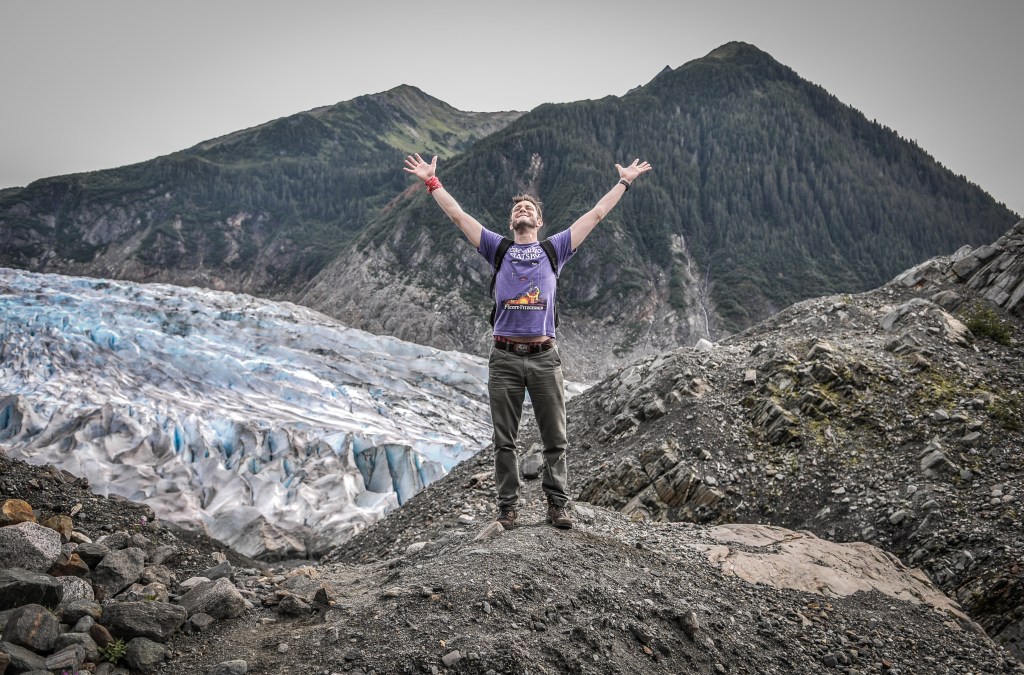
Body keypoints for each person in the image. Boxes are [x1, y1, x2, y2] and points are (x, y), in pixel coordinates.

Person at [403, 153, 652, 530]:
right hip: (503, 357)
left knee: (555, 436)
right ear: (511, 222)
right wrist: (431, 182)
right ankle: (507, 509)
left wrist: (625, 181)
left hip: (543, 356)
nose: (522, 209)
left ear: (538, 222)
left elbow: (597, 214)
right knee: (505, 440)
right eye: (517, 207)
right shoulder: (497, 248)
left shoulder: (555, 250)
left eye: (529, 208)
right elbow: (457, 215)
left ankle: (557, 505)